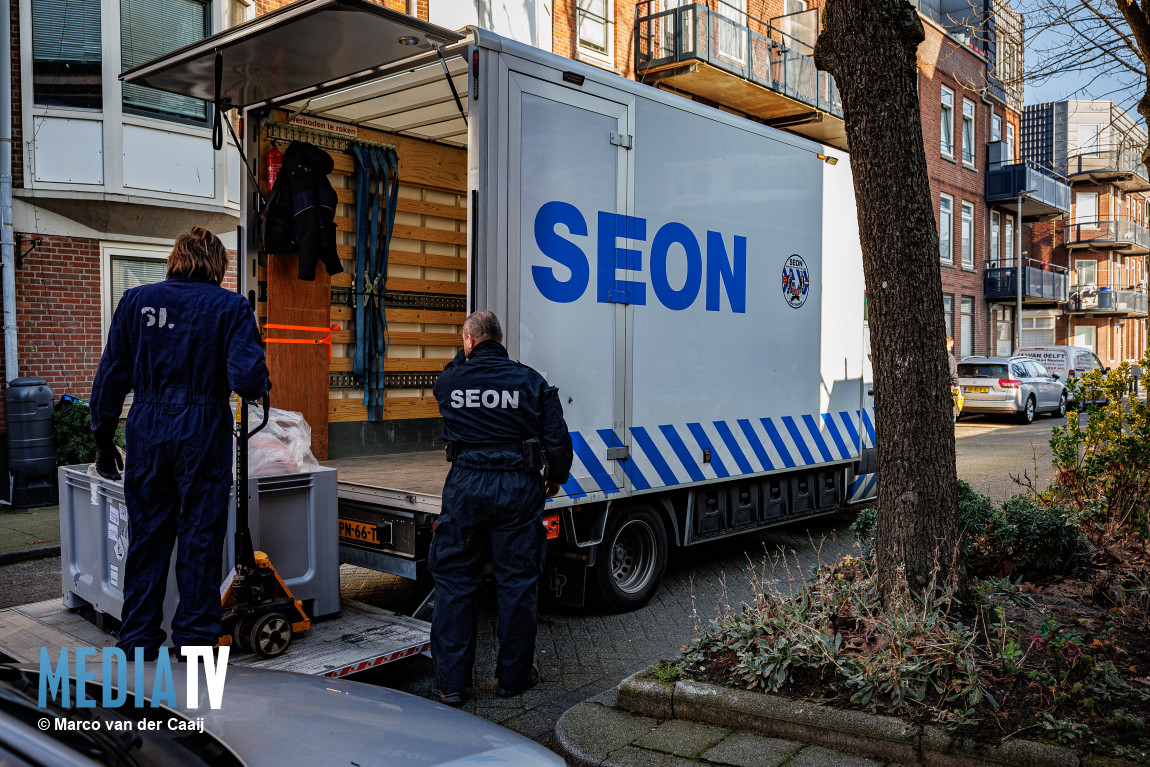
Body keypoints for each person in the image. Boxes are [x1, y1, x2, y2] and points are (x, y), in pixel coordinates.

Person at [90, 226, 270, 659]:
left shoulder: (135, 302)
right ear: (217, 265)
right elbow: (246, 380)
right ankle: (194, 641)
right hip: (203, 427)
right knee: (201, 537)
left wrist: (102, 439)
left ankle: (137, 640)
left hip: (148, 427)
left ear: (176, 258)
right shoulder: (231, 307)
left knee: (148, 536)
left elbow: (111, 376)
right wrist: (259, 381)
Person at [429, 311, 573, 706]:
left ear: (469, 341)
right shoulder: (529, 380)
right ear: (501, 340)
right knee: (517, 584)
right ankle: (513, 679)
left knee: (455, 584)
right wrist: (556, 476)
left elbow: (449, 377)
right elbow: (558, 440)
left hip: (466, 487)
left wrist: (465, 357)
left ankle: (451, 684)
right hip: (517, 486)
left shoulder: (451, 380)